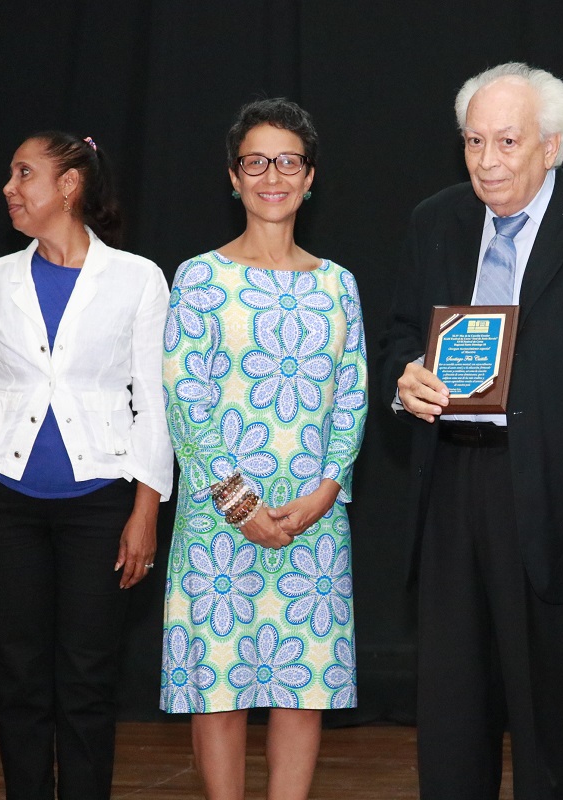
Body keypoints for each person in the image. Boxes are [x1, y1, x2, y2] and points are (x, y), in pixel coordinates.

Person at [380, 62, 563, 799]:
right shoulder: (434, 220)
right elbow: (399, 336)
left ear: (552, 145)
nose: (487, 162)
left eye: (506, 142)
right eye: (474, 142)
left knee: (552, 717)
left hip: (556, 494)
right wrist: (403, 376)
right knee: (451, 712)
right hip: (451, 485)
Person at [0, 131, 172, 799]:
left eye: (24, 174)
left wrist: (146, 511)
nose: (10, 188)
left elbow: (153, 403)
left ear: (69, 186)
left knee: (88, 679)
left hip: (101, 503)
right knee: (17, 677)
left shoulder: (138, 279)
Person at [160, 98, 367, 800]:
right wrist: (240, 500)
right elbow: (186, 400)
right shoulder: (197, 278)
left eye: (288, 161)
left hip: (312, 517)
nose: (272, 175)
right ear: (233, 176)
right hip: (219, 519)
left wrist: (323, 494)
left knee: (300, 688)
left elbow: (353, 396)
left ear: (311, 178)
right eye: (256, 162)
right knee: (219, 689)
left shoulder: (339, 285)